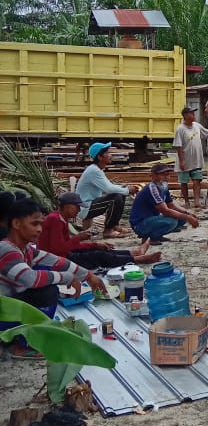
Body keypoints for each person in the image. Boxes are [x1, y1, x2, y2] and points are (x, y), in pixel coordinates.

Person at [0, 193, 107, 358]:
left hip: (8, 305)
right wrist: (68, 278)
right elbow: (30, 279)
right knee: (46, 292)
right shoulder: (7, 249)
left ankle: (24, 333)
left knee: (46, 270)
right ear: (16, 223)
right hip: (3, 312)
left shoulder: (26, 249)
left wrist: (88, 276)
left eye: (41, 224)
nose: (39, 229)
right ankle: (19, 345)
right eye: (34, 223)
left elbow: (57, 261)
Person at [39, 192, 161, 269]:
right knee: (98, 256)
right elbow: (59, 249)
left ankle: (133, 253)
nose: (78, 210)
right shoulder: (55, 220)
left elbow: (67, 245)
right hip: (56, 261)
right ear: (66, 206)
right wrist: (79, 238)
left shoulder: (61, 219)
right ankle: (138, 259)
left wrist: (95, 244)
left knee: (98, 249)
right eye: (76, 207)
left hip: (63, 255)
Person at [75, 142, 138, 238]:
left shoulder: (96, 169)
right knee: (116, 197)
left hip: (86, 206)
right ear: (100, 157)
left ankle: (112, 226)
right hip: (84, 208)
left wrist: (124, 188)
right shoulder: (94, 170)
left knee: (119, 193)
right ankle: (109, 229)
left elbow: (109, 186)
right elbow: (109, 189)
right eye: (107, 153)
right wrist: (127, 190)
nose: (110, 155)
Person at [129, 163, 199, 243]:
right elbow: (165, 210)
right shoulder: (152, 189)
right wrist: (188, 217)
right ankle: (150, 237)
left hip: (151, 219)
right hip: (140, 224)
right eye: (162, 175)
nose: (166, 177)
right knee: (172, 222)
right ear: (153, 175)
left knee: (181, 219)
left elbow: (171, 205)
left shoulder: (163, 186)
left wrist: (187, 213)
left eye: (167, 174)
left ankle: (156, 235)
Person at [173, 106, 208, 209]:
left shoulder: (197, 126)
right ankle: (187, 201)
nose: (193, 115)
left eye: (194, 113)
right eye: (191, 113)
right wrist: (182, 161)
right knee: (184, 182)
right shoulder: (180, 129)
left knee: (197, 180)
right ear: (185, 116)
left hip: (196, 160)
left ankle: (197, 201)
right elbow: (178, 146)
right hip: (185, 160)